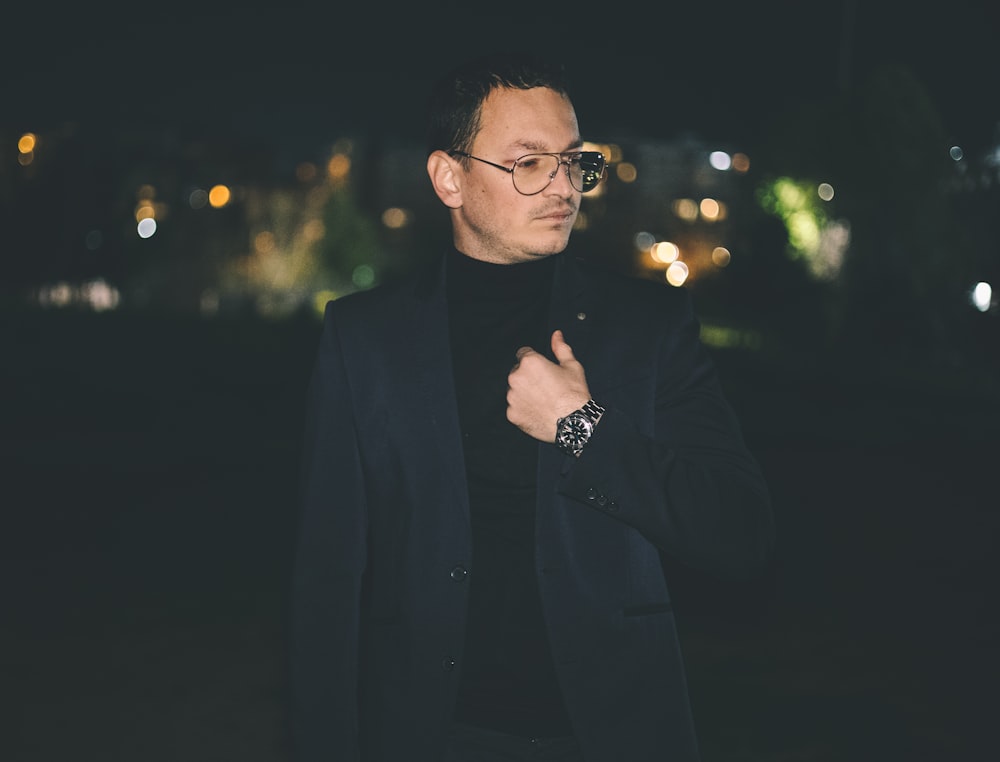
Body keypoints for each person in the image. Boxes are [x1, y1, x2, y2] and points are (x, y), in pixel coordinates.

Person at [289, 52, 774, 762]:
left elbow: (742, 537)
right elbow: (326, 584)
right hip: (429, 735)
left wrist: (583, 428)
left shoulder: (649, 328)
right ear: (448, 178)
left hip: (611, 734)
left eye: (575, 161)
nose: (562, 185)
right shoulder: (365, 339)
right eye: (529, 163)